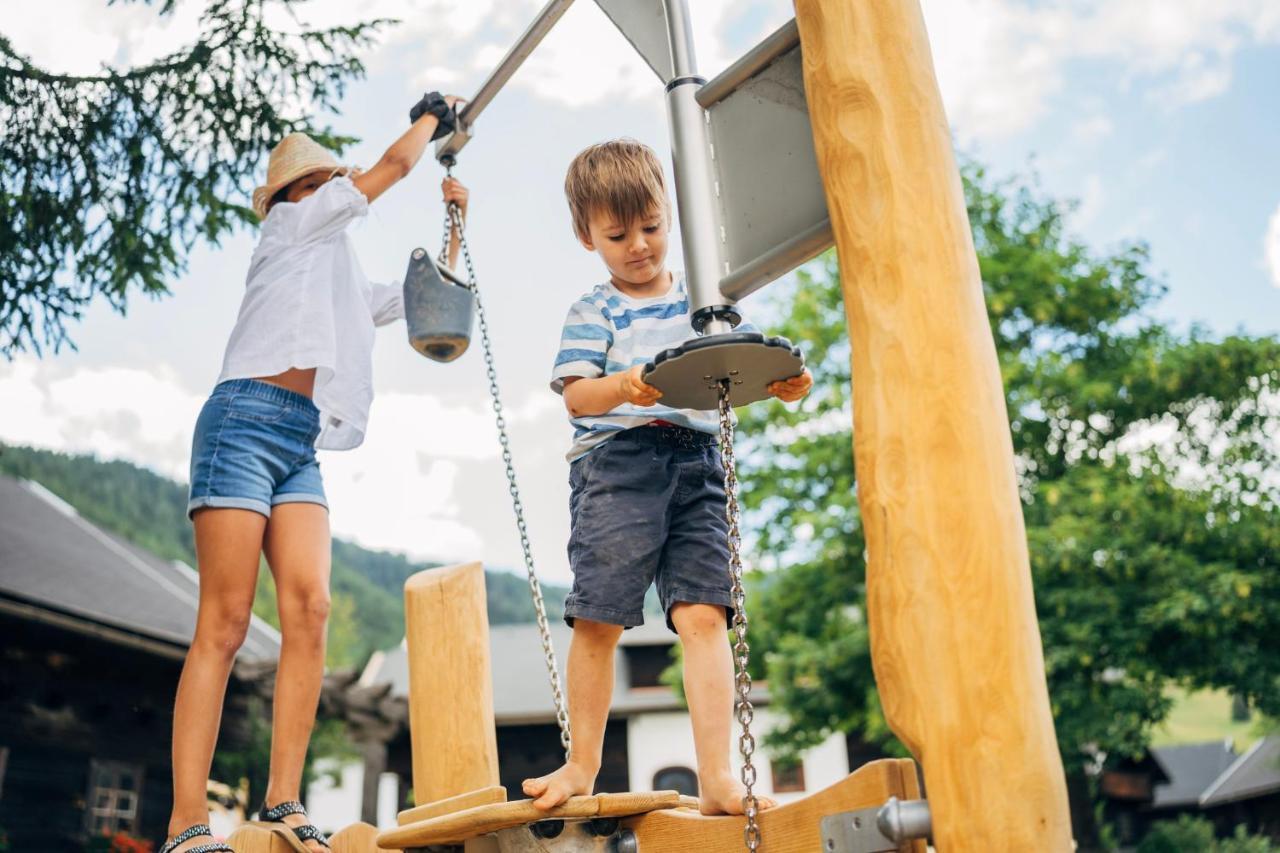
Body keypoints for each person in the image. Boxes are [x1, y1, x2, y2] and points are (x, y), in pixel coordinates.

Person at [161, 92, 468, 853]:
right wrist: (434, 117)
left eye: (328, 180)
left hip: (297, 440)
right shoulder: (290, 227)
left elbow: (418, 302)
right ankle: (183, 823)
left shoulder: (335, 266)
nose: (327, 190)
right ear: (295, 196)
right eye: (317, 182)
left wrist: (455, 226)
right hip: (241, 421)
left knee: (313, 608)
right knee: (226, 623)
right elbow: (396, 163)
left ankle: (283, 801)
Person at [524, 139, 813, 816]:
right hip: (618, 465)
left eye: (651, 226)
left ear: (669, 216)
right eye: (618, 234)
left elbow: (735, 369)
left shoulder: (701, 301)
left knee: (704, 614)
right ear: (586, 234)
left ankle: (717, 776)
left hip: (697, 463)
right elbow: (575, 397)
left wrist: (780, 383)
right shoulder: (595, 310)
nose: (639, 246)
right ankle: (581, 765)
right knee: (598, 615)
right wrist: (622, 383)